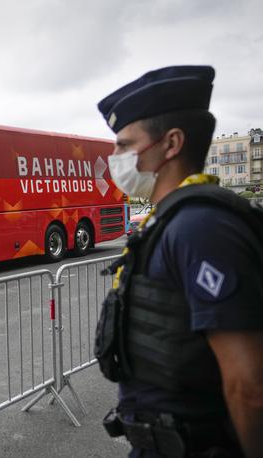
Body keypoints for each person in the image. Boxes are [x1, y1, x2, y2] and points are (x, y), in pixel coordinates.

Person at [95, 65, 263, 457]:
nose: (113, 157)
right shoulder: (170, 221)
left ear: (171, 143)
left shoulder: (201, 227)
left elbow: (250, 387)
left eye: (123, 144)